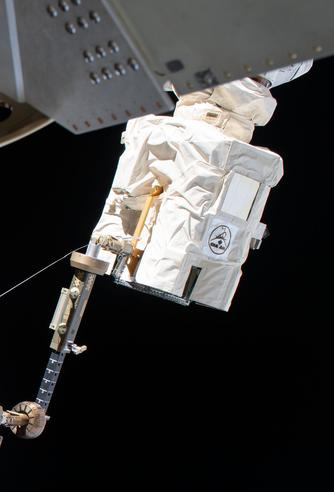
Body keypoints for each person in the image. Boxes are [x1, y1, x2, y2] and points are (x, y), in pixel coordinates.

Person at [90, 62, 311, 311]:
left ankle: (147, 267)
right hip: (204, 116)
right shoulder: (299, 60)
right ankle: (131, 262)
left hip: (208, 115)